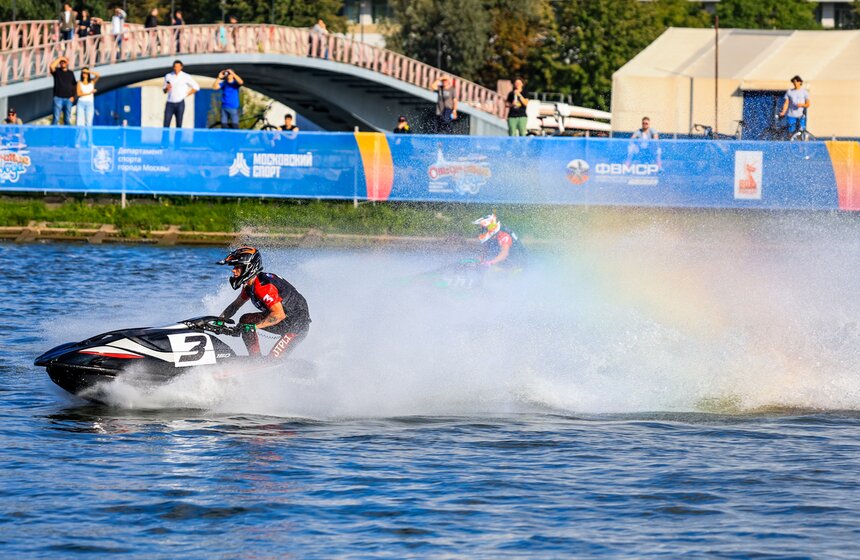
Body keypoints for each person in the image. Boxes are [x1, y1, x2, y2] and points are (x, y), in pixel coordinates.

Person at [217, 247, 311, 359]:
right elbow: (235, 306)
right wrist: (219, 321)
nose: (233, 270)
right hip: (283, 321)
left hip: (296, 327)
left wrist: (255, 327)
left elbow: (278, 315)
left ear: (248, 267)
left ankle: (269, 363)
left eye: (238, 267)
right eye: (234, 267)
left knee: (272, 358)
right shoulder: (250, 285)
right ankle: (255, 359)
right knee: (246, 321)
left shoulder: (263, 286)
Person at [162, 60, 199, 128]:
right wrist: (167, 88)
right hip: (170, 102)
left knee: (179, 124)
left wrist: (186, 94)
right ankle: (165, 138)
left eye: (178, 67)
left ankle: (178, 138)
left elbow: (196, 87)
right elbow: (164, 90)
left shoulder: (185, 76)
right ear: (173, 67)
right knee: (166, 124)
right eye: (175, 67)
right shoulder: (168, 76)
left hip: (180, 103)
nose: (176, 68)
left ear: (181, 67)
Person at [49, 56, 77, 125]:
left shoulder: (71, 73)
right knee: (56, 118)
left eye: (64, 62)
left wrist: (73, 96)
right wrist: (60, 58)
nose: (63, 63)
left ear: (67, 63)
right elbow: (51, 66)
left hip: (68, 99)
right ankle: (53, 135)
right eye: (61, 62)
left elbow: (74, 85)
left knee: (67, 119)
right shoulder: (57, 71)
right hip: (58, 98)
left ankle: (67, 135)